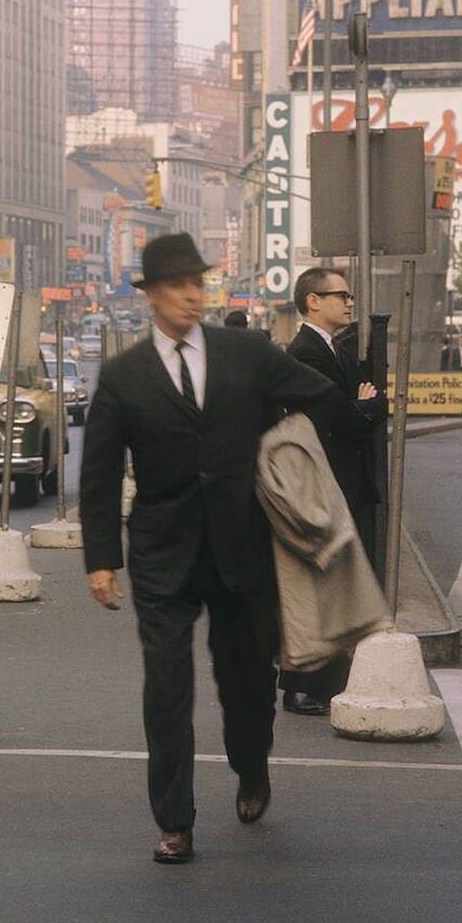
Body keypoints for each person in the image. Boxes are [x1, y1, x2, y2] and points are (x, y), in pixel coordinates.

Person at [79, 234, 341, 866]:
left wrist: (276, 448)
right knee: (166, 688)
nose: (192, 296)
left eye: (197, 283)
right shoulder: (122, 376)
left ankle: (251, 767)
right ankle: (175, 821)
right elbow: (98, 471)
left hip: (240, 548)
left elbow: (316, 392)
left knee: (246, 682)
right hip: (162, 555)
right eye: (178, 286)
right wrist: (100, 560)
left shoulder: (246, 353)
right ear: (153, 297)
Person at [278, 266, 385, 716]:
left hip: (341, 482)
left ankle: (328, 678)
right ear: (312, 301)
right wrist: (364, 408)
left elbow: (352, 412)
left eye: (349, 295)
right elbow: (338, 419)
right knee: (317, 586)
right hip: (321, 485)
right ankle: (301, 684)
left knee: (337, 585)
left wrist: (361, 408)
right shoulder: (307, 352)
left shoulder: (331, 348)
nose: (349, 301)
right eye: (339, 295)